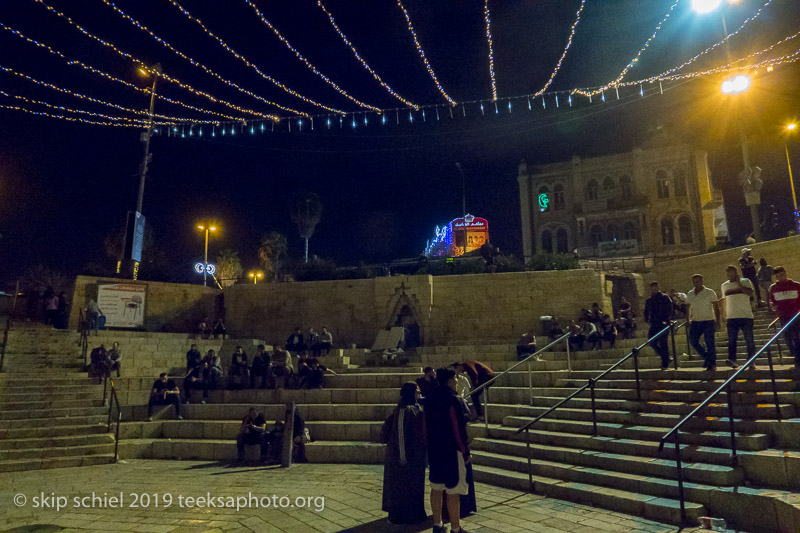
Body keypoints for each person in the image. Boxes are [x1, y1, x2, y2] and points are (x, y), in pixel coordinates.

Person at [426, 367, 471, 533]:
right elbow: (458, 429)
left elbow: (425, 426)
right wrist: (465, 451)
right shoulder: (454, 400)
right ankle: (455, 528)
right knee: (453, 490)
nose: (457, 381)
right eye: (456, 378)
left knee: (436, 487)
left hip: (434, 450)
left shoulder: (430, 397)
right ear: (451, 379)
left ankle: (437, 524)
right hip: (451, 451)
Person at [381, 383, 428, 526]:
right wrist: (402, 458)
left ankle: (414, 515)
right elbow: (400, 435)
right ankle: (400, 518)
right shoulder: (403, 410)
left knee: (413, 488)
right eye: (417, 391)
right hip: (402, 458)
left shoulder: (414, 407)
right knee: (401, 489)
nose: (419, 393)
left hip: (414, 457)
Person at [721, 265, 756, 369]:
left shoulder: (746, 281)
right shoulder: (724, 285)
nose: (730, 276)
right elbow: (724, 300)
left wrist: (739, 284)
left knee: (749, 339)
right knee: (731, 340)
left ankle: (751, 361)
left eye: (732, 273)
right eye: (728, 274)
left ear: (736, 273)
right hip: (731, 317)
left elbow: (750, 293)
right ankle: (732, 359)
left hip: (746, 316)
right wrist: (723, 314)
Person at [685, 274, 720, 371]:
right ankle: (707, 358)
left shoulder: (709, 292)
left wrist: (718, 321)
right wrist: (687, 320)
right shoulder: (690, 293)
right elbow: (687, 307)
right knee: (693, 340)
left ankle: (712, 364)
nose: (696, 283)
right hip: (696, 321)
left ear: (702, 281)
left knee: (709, 342)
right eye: (694, 281)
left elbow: (716, 307)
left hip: (708, 320)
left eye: (698, 281)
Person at [768, 266, 800, 365]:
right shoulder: (773, 288)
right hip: (782, 315)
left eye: (782, 275)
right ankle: (795, 354)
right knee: (786, 336)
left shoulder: (796, 285)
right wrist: (772, 305)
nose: (781, 277)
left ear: (786, 274)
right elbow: (772, 301)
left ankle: (798, 358)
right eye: (778, 276)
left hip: (795, 314)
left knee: (796, 336)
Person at [644, 281, 674, 370]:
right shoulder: (649, 300)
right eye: (652, 288)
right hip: (654, 323)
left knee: (663, 342)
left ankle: (665, 364)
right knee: (651, 341)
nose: (654, 290)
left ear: (658, 287)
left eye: (655, 288)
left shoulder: (664, 297)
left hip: (663, 323)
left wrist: (667, 320)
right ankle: (665, 358)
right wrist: (647, 319)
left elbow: (670, 309)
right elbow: (646, 311)